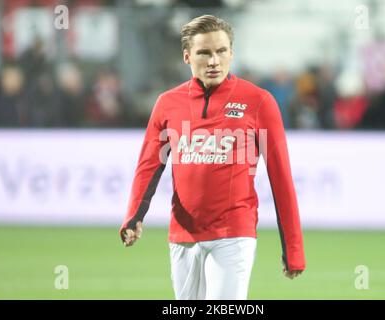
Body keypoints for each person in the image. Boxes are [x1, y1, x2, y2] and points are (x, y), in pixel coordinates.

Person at [120, 15, 305, 300]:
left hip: (234, 232)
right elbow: (149, 166)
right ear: (187, 56)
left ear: (231, 53)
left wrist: (293, 249)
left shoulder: (259, 102)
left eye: (221, 51)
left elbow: (281, 180)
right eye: (204, 52)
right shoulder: (167, 103)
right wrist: (134, 216)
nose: (214, 61)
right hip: (182, 234)